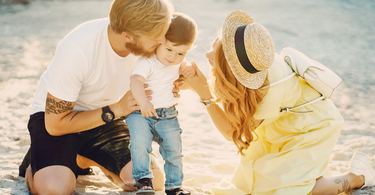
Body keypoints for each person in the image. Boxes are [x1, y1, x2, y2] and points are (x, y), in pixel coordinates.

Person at [185, 10, 375, 195]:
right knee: (259, 182)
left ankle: (357, 177)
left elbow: (231, 132)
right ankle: (304, 175)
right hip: (283, 122)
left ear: (232, 69)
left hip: (312, 127)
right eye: (214, 46)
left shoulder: (269, 90)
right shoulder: (253, 63)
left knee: (290, 190)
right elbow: (232, 90)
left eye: (216, 56)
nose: (207, 55)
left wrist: (203, 92)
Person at [19, 0, 179, 194]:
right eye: (156, 37)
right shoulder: (77, 49)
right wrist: (116, 109)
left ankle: (84, 157)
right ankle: (35, 168)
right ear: (127, 36)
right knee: (54, 189)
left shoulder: (146, 39)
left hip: (108, 117)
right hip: (58, 121)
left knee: (150, 181)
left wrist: (175, 83)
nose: (162, 41)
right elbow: (55, 125)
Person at [126, 12, 197, 195]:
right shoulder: (147, 61)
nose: (173, 57)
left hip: (168, 115)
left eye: (181, 53)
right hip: (141, 113)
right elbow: (135, 80)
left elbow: (185, 73)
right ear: (160, 41)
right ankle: (143, 181)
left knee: (174, 152)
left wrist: (188, 70)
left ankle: (174, 187)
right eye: (169, 49)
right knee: (140, 146)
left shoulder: (177, 62)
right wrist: (143, 102)